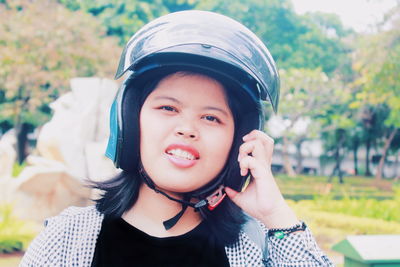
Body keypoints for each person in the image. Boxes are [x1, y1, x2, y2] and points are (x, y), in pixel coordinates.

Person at [20, 10, 333, 266]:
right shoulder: (67, 238)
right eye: (168, 107)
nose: (187, 129)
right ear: (129, 121)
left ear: (239, 143)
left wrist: (276, 216)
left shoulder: (258, 246)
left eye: (211, 117)